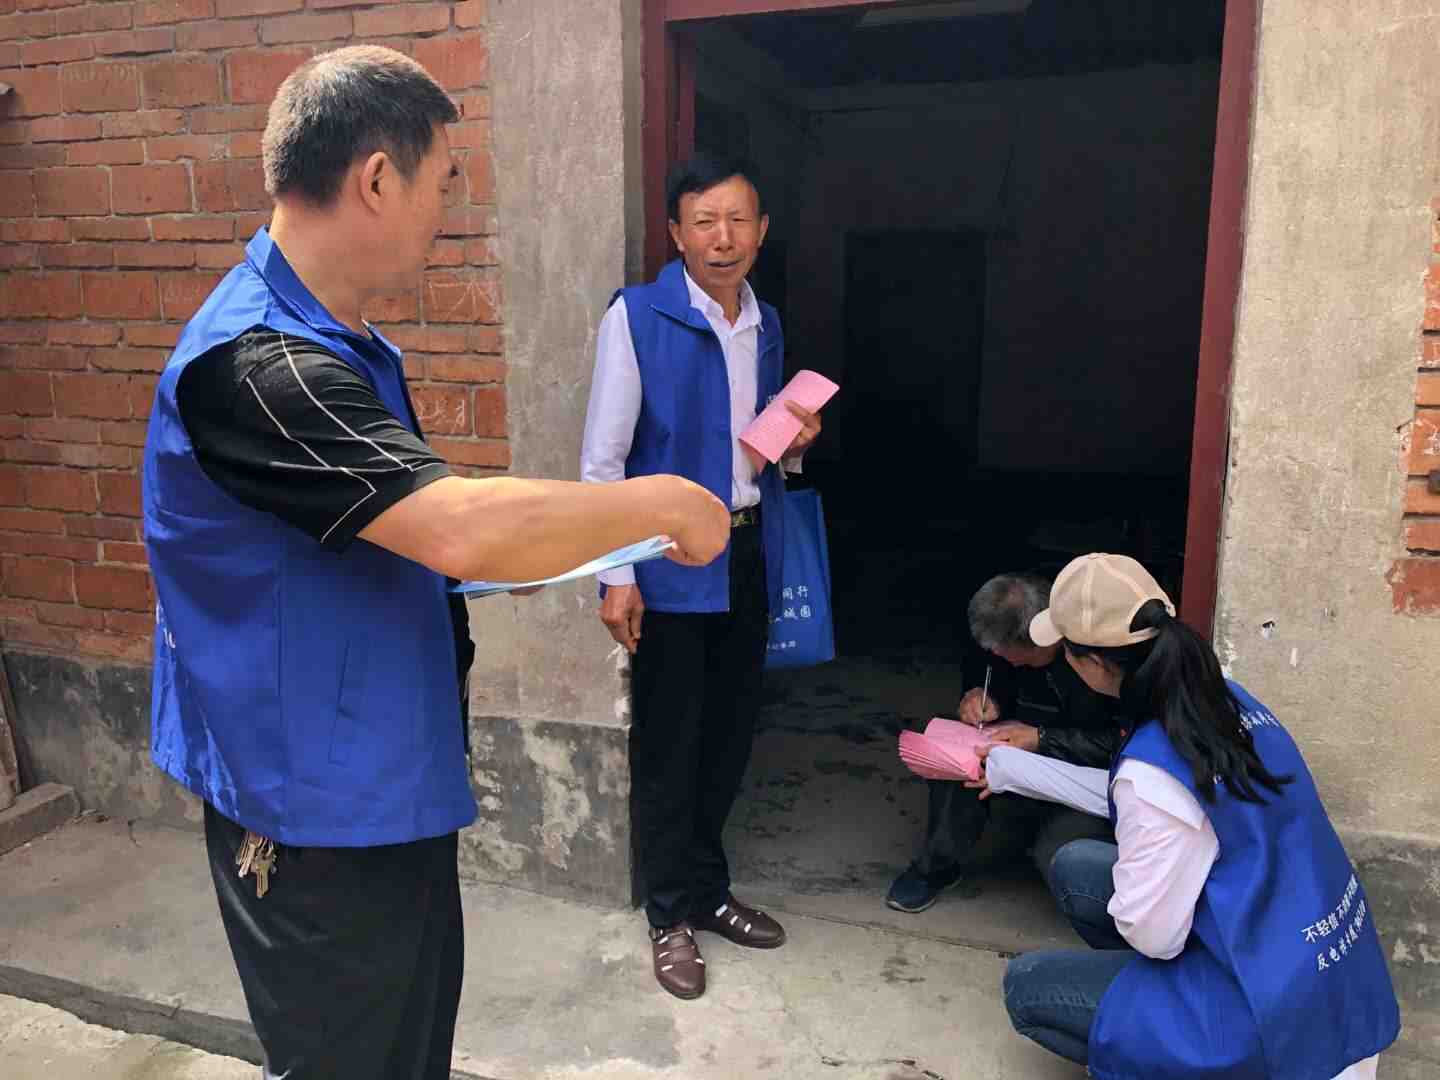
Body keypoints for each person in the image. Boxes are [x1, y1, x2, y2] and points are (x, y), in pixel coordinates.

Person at [142, 47, 732, 1080]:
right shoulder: (261, 365)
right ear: (378, 178)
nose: (448, 210)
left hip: (378, 776)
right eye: (445, 181)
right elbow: (454, 525)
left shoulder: (340, 344)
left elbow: (389, 539)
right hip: (312, 813)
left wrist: (519, 553)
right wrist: (663, 502)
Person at [1002, 554, 1400, 1079]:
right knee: (1077, 867)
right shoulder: (1224, 699)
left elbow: (1155, 937)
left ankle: (1185, 1050)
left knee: (1029, 986)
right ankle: (1163, 1009)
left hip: (1280, 1031)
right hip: (1324, 976)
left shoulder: (1150, 772)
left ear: (1092, 664)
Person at [579, 154, 822, 1000]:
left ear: (762, 230)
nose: (724, 238)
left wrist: (794, 444)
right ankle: (669, 914)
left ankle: (710, 891)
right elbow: (603, 461)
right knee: (670, 739)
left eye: (739, 220)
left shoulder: (765, 320)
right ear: (676, 233)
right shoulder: (637, 317)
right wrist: (616, 575)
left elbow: (757, 443)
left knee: (729, 733)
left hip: (749, 549)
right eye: (705, 222)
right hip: (670, 560)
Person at [885, 572, 1126, 913]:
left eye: (1003, 649)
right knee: (956, 759)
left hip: (1079, 773)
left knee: (1060, 855)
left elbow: (1120, 747)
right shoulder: (997, 646)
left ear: (1039, 639)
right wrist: (979, 697)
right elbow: (983, 673)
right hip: (1008, 747)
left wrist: (1041, 739)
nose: (996, 654)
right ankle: (936, 866)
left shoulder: (1096, 662)